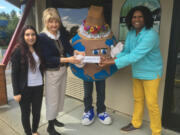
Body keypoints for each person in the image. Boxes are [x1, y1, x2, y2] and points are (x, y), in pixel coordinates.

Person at [100, 6, 163, 135]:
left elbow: (135, 55)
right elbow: (127, 51)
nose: (137, 19)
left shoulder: (151, 34)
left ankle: (157, 131)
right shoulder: (130, 33)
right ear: (130, 19)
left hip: (151, 74)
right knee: (138, 99)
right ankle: (136, 123)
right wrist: (111, 57)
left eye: (140, 16)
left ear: (146, 18)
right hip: (137, 71)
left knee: (152, 104)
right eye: (134, 17)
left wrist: (111, 62)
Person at [39, 8, 84, 135]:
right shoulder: (42, 37)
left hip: (63, 70)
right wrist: (68, 59)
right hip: (52, 73)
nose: (54, 25)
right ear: (46, 22)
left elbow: (69, 47)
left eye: (56, 22)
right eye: (50, 22)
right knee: (52, 99)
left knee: (59, 98)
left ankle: (54, 119)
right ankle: (50, 126)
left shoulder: (60, 34)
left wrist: (76, 52)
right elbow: (48, 58)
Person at [11, 25, 44, 135]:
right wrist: (16, 92)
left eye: (33, 34)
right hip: (24, 88)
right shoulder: (18, 51)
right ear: (23, 36)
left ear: (36, 36)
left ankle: (34, 131)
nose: (30, 37)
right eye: (27, 34)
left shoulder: (38, 48)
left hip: (38, 86)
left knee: (36, 112)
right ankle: (28, 133)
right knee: (25, 113)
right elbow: (14, 73)